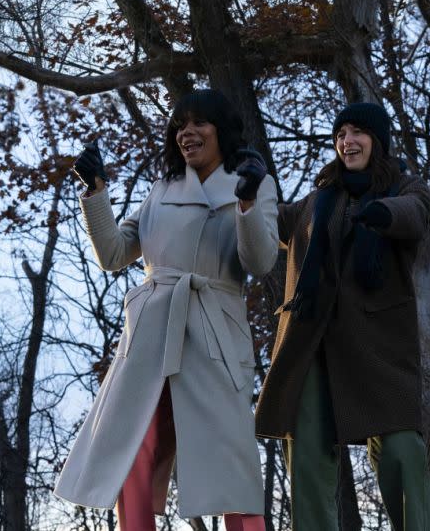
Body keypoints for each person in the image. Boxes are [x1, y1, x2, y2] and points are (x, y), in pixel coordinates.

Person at [54, 89, 278, 530]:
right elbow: (114, 254)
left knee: (232, 465)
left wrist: (248, 202)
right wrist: (95, 193)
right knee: (132, 448)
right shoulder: (162, 188)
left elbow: (260, 262)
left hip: (213, 331)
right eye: (181, 125)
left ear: (222, 130)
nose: (187, 133)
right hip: (152, 332)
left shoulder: (250, 184)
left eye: (199, 123)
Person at [254, 102, 430, 531]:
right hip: (312, 341)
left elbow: (415, 214)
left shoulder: (405, 187)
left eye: (358, 132)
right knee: (308, 455)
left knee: (401, 451)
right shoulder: (319, 199)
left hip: (380, 343)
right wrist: (247, 191)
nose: (347, 141)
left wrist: (383, 212)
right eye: (340, 134)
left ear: (378, 141)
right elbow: (268, 224)